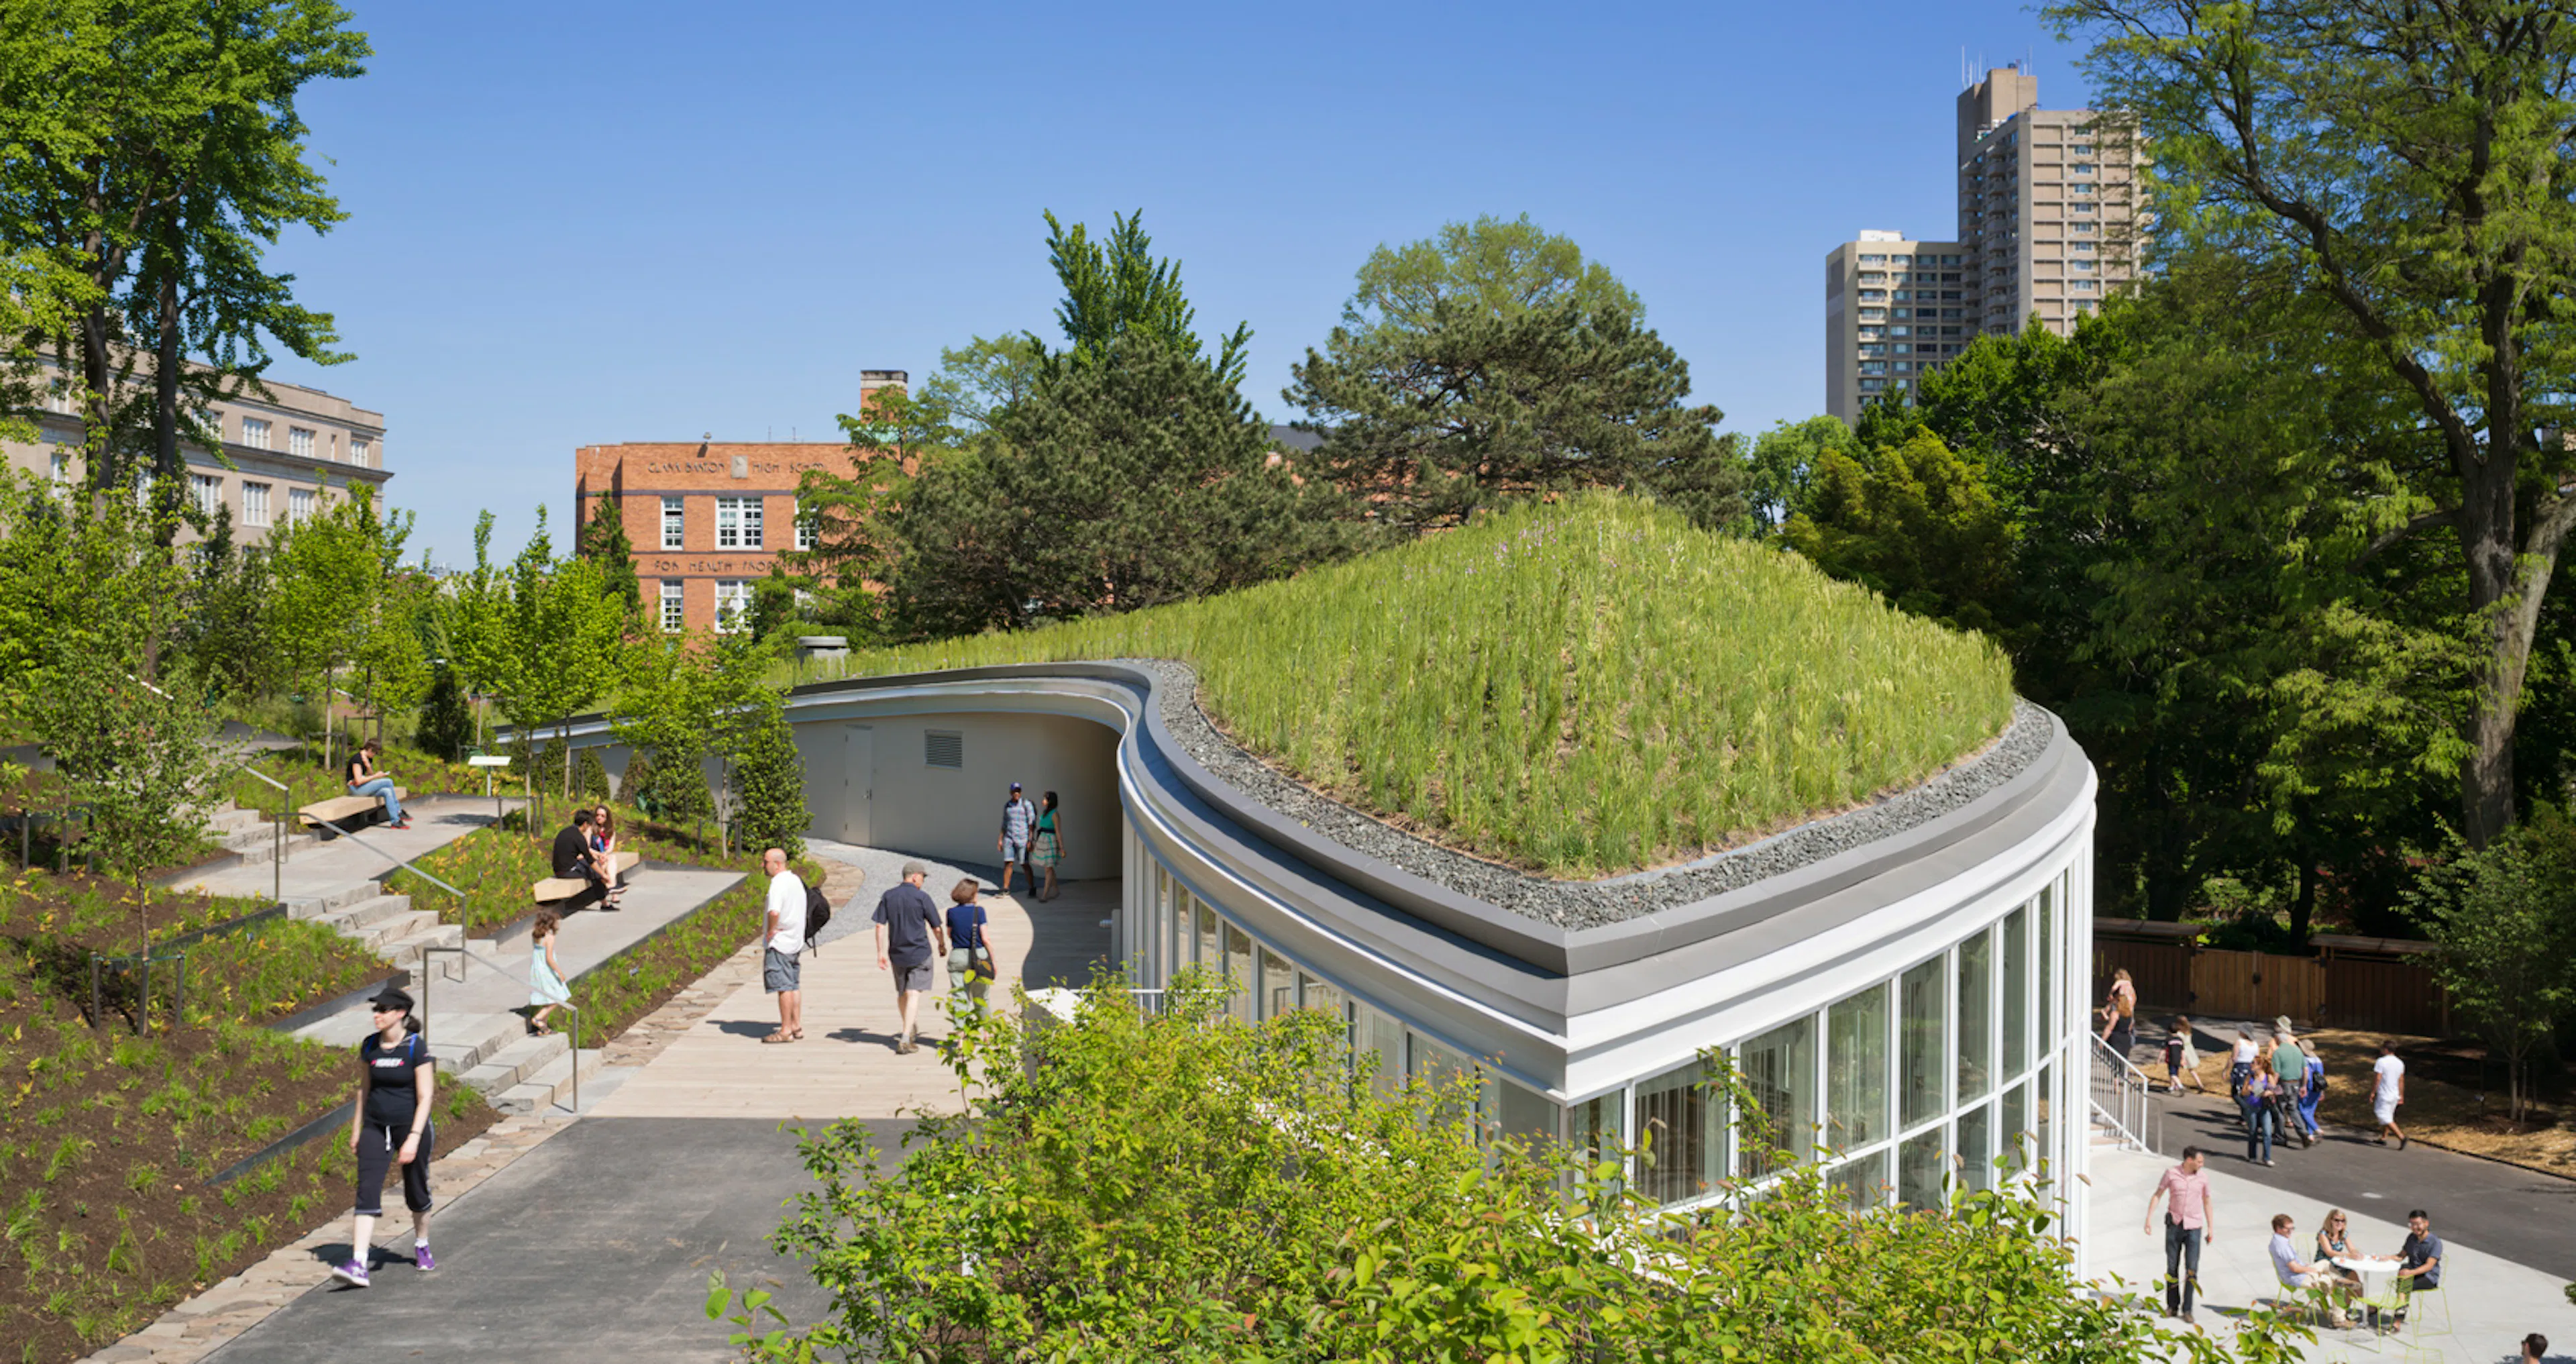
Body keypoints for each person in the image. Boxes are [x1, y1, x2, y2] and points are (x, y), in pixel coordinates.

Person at [331, 988, 435, 1287]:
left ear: (400, 1013)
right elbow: (363, 1089)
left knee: (416, 1191)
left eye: (384, 1010)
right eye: (375, 1010)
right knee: (367, 1190)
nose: (377, 1015)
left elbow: (426, 1095)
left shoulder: (416, 1047)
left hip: (410, 1127)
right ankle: (359, 1263)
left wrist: (414, 1137)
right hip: (376, 1127)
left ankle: (421, 1243)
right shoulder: (369, 1047)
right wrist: (356, 1129)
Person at [872, 859, 949, 1053]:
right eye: (922, 877)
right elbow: (936, 927)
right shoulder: (922, 897)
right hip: (919, 951)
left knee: (902, 992)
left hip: (897, 952)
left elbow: (880, 925)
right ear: (914, 876)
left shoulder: (889, 896)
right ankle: (906, 1037)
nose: (923, 881)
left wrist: (880, 952)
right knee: (914, 993)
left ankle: (909, 1025)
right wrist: (941, 944)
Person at [2143, 1145, 2215, 1324]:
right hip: (2175, 1225)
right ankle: (2172, 1306)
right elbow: (2158, 1194)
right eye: (2199, 1161)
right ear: (2189, 1160)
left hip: (2194, 1227)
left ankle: (2188, 1309)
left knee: (2192, 1269)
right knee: (2172, 1266)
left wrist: (2211, 1228)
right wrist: (2148, 1219)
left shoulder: (2203, 1178)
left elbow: (2207, 1202)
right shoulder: (2171, 1173)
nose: (2202, 1164)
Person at [2267, 1214, 2349, 1327]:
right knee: (2335, 1285)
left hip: (2297, 1272)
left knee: (2325, 1263)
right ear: (2278, 1229)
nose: (2291, 1231)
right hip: (2297, 1277)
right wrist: (2311, 1270)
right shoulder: (2281, 1245)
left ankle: (2339, 1281)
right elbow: (2294, 1268)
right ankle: (2339, 1320)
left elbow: (2295, 1264)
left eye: (2292, 1228)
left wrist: (2305, 1266)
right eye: (2289, 1229)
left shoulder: (2278, 1240)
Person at [760, 847, 804, 1044]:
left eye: (765, 862)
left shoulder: (778, 884)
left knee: (783, 987)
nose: (763, 865)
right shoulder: (795, 880)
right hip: (795, 940)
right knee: (793, 984)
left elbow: (774, 912)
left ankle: (785, 1030)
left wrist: (771, 930)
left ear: (777, 864)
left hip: (781, 943)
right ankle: (796, 1025)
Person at [944, 878, 994, 1013]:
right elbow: (985, 939)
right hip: (979, 955)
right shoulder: (979, 912)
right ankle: (986, 1032)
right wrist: (993, 961)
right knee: (982, 997)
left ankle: (961, 1031)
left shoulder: (951, 912)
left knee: (959, 996)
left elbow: (949, 934)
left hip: (958, 955)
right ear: (971, 895)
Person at [2390, 1208, 2443, 1331]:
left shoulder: (2435, 1242)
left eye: (2418, 1224)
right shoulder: (2412, 1238)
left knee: (2404, 1285)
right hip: (2412, 1274)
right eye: (2412, 1224)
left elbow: (2429, 1266)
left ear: (2426, 1224)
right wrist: (2385, 1258)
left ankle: (2397, 1321)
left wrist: (2410, 1273)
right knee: (2403, 1271)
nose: (2415, 1228)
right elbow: (2401, 1256)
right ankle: (2402, 1308)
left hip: (2428, 1277)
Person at [345, 739, 412, 831]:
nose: (375, 755)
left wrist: (368, 766)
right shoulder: (357, 759)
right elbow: (359, 781)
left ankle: (395, 821)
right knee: (388, 781)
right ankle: (398, 811)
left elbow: (369, 776)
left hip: (364, 787)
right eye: (375, 752)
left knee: (387, 792)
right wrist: (376, 776)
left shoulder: (368, 759)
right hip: (355, 789)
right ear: (370, 749)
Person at [550, 809, 604, 913]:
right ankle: (605, 900)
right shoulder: (579, 837)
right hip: (566, 872)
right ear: (585, 824)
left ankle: (605, 896)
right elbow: (590, 860)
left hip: (559, 869)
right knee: (592, 870)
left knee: (589, 867)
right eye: (589, 826)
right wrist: (603, 874)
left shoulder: (565, 831)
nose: (590, 828)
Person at [527, 910, 570, 1035]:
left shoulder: (535, 935)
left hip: (536, 969)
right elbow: (549, 958)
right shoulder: (549, 938)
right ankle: (537, 1019)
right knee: (557, 997)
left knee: (548, 997)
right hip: (546, 970)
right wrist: (559, 972)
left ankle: (543, 1027)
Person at [996, 782, 1037, 897]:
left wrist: (1030, 840)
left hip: (1023, 839)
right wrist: (1000, 840)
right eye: (1014, 791)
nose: (1016, 794)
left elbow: (1031, 823)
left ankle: (1032, 887)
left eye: (1018, 791)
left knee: (1024, 864)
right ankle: (1005, 888)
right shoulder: (1008, 806)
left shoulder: (1026, 805)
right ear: (1010, 792)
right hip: (1009, 838)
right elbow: (1004, 823)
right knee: (1008, 862)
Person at [2314, 1208, 2364, 1298]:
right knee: (2348, 1282)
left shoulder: (2343, 1234)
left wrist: (2356, 1253)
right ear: (2330, 1221)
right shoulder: (2323, 1234)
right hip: (2325, 1264)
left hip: (2337, 1264)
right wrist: (2349, 1255)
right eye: (2336, 1220)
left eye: (2342, 1221)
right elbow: (2329, 1252)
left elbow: (2352, 1249)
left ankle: (2361, 1306)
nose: (2340, 1223)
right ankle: (2364, 1305)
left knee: (2354, 1277)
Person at [2241, 1065, 2281, 1165]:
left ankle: (2267, 1157)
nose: (2251, 1066)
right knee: (2253, 1132)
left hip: (2265, 1107)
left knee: (2267, 1132)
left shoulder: (2268, 1077)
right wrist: (2249, 1089)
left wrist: (2269, 1092)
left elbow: (2277, 1091)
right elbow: (2243, 1092)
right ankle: (2252, 1156)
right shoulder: (2250, 1077)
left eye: (2254, 1064)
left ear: (2260, 1066)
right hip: (2252, 1107)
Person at [588, 804, 626, 907]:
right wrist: (600, 855)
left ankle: (612, 889)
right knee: (607, 861)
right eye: (597, 815)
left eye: (602, 816)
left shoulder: (610, 830)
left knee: (611, 858)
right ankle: (613, 890)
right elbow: (587, 848)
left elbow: (610, 848)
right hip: (594, 856)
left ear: (607, 818)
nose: (599, 818)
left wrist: (605, 854)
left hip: (604, 855)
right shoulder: (590, 829)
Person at [2373, 1040, 2408, 1148]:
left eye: (2382, 1048)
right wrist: (2401, 1095)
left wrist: (2373, 1092)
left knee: (2382, 1115)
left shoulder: (2381, 1062)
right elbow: (2401, 1080)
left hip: (2384, 1094)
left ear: (2386, 1050)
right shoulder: (2400, 1063)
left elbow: (2378, 1078)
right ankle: (2384, 1137)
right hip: (2394, 1094)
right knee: (2389, 1115)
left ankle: (2401, 1137)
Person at [2162, 1016, 2208, 1095]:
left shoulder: (2179, 1033)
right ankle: (2200, 1085)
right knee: (2192, 1070)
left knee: (2175, 1069)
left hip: (2182, 1050)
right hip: (2190, 1049)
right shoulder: (2188, 1031)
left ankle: (2174, 1085)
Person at [2098, 967, 2138, 1057]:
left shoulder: (2121, 983)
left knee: (2113, 1025)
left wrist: (2110, 994)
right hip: (2129, 1011)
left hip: (2121, 1008)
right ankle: (2130, 1044)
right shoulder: (2130, 987)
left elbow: (2114, 987)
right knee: (2127, 1029)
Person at [1032, 790, 1063, 902]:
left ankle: (1045, 894)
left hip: (1051, 841)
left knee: (1048, 868)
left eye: (1045, 799)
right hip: (1043, 840)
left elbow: (1058, 831)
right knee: (1048, 867)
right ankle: (1055, 890)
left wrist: (1061, 847)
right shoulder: (1045, 813)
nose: (1043, 801)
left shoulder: (1055, 814)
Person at [2297, 1048, 2326, 1144]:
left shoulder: (2305, 1060)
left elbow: (2306, 1075)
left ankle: (2316, 1129)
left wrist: (2303, 1086)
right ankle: (2310, 1134)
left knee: (2302, 1110)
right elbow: (2321, 1076)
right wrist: (2322, 1091)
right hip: (2317, 1088)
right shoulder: (2318, 1060)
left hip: (2308, 1088)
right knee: (2310, 1112)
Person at [2230, 1029, 2259, 1104]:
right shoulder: (2255, 1044)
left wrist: (2227, 1069)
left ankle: (2246, 1109)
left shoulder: (2239, 1042)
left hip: (2240, 1067)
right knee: (2249, 1089)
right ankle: (2247, 1110)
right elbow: (2257, 1058)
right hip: (2251, 1067)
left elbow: (2234, 1057)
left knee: (2236, 1092)